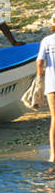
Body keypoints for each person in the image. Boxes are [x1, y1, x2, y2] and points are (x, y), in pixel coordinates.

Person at [37, 12, 55, 163]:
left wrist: (40, 73)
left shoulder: (46, 41)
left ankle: (53, 155)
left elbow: (39, 62)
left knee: (54, 119)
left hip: (51, 85)